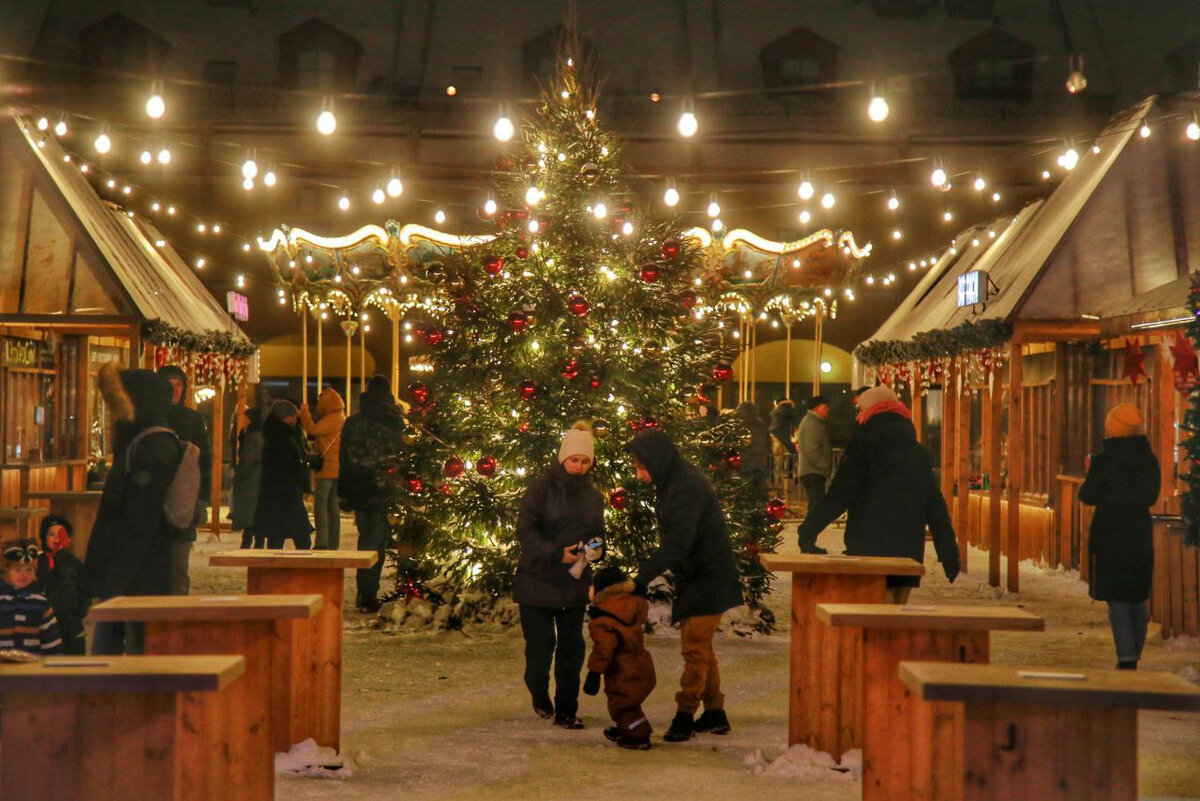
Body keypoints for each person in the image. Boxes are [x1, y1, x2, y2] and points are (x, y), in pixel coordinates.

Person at [626, 428, 742, 742]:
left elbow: (678, 542)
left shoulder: (685, 486)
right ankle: (716, 713)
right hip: (702, 574)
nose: (639, 475)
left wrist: (640, 578)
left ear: (657, 461)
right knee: (702, 648)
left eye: (641, 467)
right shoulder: (674, 480)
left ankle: (685, 715)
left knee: (694, 648)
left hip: (708, 575)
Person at [796, 386, 959, 602]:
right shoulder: (917, 453)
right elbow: (934, 505)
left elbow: (840, 495)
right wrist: (949, 554)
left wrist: (809, 530)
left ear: (870, 412)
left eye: (860, 410)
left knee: (874, 622)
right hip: (907, 553)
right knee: (896, 618)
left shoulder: (862, 448)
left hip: (868, 549)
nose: (858, 416)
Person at [86, 364, 182, 655]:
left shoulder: (153, 445)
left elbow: (139, 523)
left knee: (132, 651)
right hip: (132, 569)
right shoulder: (140, 439)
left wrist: (115, 578)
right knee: (115, 647)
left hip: (138, 571)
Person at [514, 421, 604, 729]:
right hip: (536, 583)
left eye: (584, 461)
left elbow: (598, 536)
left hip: (572, 585)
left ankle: (567, 709)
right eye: (574, 459)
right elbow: (525, 530)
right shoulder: (540, 489)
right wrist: (557, 553)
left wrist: (592, 552)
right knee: (539, 650)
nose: (578, 466)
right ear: (563, 458)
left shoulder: (593, 497)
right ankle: (538, 691)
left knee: (571, 650)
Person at [1079, 404, 1160, 670]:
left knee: (1118, 599)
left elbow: (1088, 495)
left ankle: (1126, 658)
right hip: (1138, 532)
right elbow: (1151, 496)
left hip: (1110, 534)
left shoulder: (1105, 461)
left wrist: (1094, 475)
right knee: (1136, 596)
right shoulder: (1149, 461)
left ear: (1113, 428)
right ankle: (1134, 653)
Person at [339, 375, 405, 612]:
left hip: (359, 488)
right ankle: (367, 595)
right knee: (376, 542)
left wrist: (344, 490)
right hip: (383, 489)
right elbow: (402, 454)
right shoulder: (394, 421)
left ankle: (365, 593)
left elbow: (344, 459)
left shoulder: (353, 422)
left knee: (367, 539)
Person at [583, 565, 656, 750]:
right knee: (630, 704)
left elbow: (604, 649)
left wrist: (594, 672)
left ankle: (637, 736)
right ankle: (629, 729)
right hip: (641, 664)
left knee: (622, 705)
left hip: (623, 670)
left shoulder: (603, 619)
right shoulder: (631, 605)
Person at [157, 365, 212, 596]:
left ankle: (176, 613)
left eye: (179, 384)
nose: (174, 390)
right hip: (154, 501)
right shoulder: (149, 416)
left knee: (179, 567)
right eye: (169, 384)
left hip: (184, 501)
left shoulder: (192, 419)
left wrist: (202, 499)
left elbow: (205, 461)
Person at [254, 400, 313, 550]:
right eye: (294, 416)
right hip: (287, 493)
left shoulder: (272, 434)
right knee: (302, 538)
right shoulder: (284, 437)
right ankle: (300, 571)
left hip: (273, 495)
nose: (296, 420)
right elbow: (289, 464)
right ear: (287, 417)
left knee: (276, 537)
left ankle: (272, 570)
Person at [300, 387, 346, 550]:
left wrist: (304, 414)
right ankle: (333, 542)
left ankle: (322, 541)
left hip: (327, 468)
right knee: (333, 506)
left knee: (321, 505)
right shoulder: (341, 417)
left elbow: (313, 429)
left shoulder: (333, 418)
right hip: (337, 468)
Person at [36, 515, 87, 655]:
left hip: (70, 622)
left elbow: (83, 591)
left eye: (61, 534)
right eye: (51, 534)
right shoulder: (37, 563)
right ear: (44, 537)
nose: (56, 539)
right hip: (44, 622)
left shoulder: (74, 563)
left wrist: (78, 612)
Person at [1, 538, 62, 657]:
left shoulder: (40, 602)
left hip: (32, 665)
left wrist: (54, 663)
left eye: (29, 569)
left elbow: (51, 639)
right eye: (17, 570)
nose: (24, 575)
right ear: (6, 571)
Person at [232, 407, 265, 549]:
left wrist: (239, 476)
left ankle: (247, 542)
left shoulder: (252, 437)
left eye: (246, 417)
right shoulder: (260, 434)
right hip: (258, 477)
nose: (243, 420)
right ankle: (258, 541)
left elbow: (247, 459)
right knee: (256, 512)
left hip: (252, 479)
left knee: (250, 512)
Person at [798, 395, 833, 516]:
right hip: (813, 471)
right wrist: (824, 464)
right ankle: (809, 530)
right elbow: (811, 449)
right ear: (817, 408)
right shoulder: (812, 424)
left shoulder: (814, 422)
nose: (828, 409)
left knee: (816, 504)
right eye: (825, 407)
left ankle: (810, 529)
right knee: (816, 505)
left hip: (813, 470)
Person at [735, 402, 771, 505]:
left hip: (745, 462)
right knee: (761, 490)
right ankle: (762, 513)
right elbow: (768, 443)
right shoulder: (761, 425)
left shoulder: (740, 427)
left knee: (745, 490)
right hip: (760, 462)